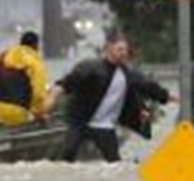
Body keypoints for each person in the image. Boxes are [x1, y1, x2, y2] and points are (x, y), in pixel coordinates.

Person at [52, 31, 171, 163]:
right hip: (80, 122)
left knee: (114, 163)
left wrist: (164, 98)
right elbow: (68, 82)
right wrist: (52, 97)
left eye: (125, 50)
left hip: (104, 125)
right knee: (67, 155)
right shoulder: (91, 67)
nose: (123, 53)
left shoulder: (128, 73)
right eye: (119, 49)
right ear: (109, 49)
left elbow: (146, 87)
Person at [0, 31, 50, 127]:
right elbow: (38, 93)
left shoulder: (3, 56)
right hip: (16, 116)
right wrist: (38, 113)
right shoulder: (34, 63)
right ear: (36, 45)